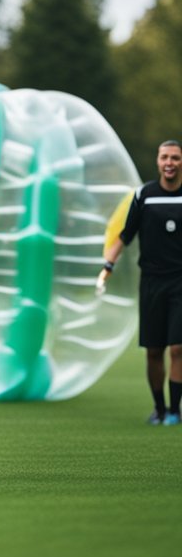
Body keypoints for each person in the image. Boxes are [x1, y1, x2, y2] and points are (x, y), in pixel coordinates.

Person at [98, 140, 182, 425]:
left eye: (175, 158)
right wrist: (107, 267)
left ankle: (174, 411)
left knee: (177, 347)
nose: (170, 162)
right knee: (155, 350)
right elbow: (124, 235)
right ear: (158, 162)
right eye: (165, 158)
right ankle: (158, 409)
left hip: (180, 283)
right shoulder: (143, 195)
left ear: (181, 162)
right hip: (151, 283)